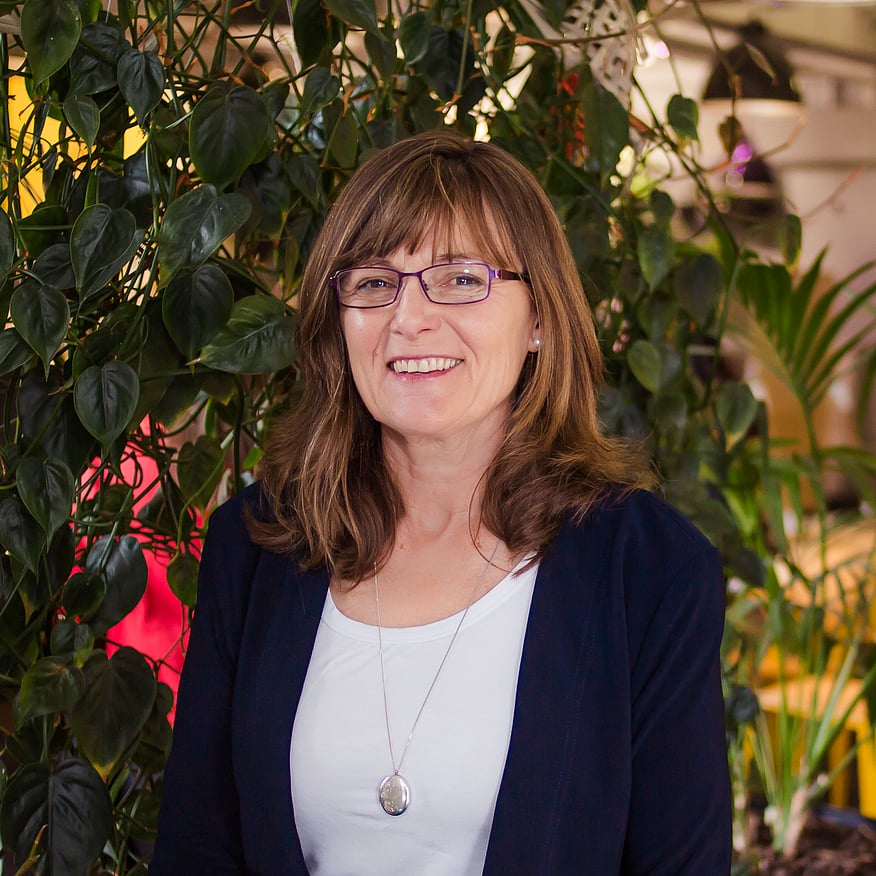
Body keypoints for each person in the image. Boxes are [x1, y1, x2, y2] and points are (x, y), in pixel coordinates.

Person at [151, 130, 732, 874]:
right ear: (340, 319)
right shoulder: (259, 542)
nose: (409, 318)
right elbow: (197, 851)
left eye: (460, 279)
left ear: (542, 319)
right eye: (372, 282)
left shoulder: (651, 571)